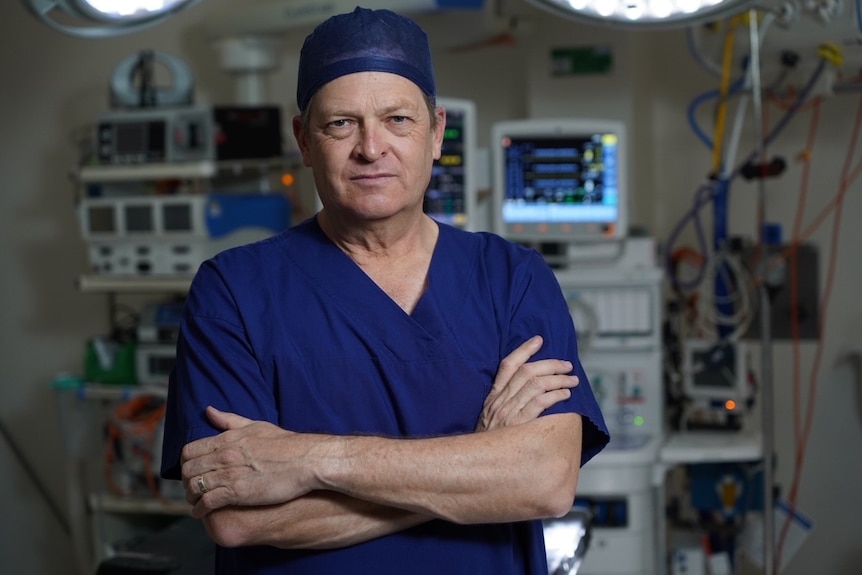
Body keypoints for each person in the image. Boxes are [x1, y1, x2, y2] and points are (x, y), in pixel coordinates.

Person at [160, 6, 609, 574]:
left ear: (436, 132)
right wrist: (478, 468)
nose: (372, 148)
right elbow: (238, 519)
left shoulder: (512, 278)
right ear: (303, 138)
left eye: (398, 120)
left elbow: (544, 482)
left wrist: (311, 459)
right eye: (340, 124)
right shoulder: (233, 292)